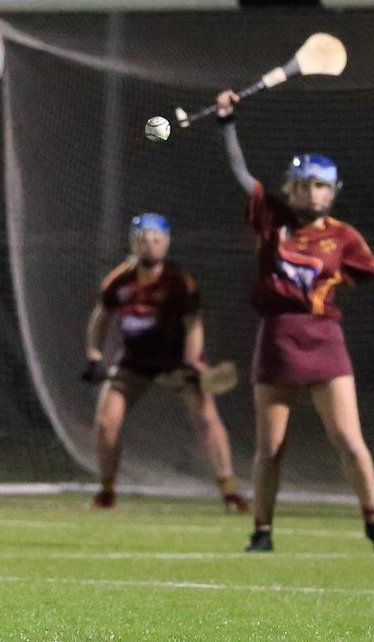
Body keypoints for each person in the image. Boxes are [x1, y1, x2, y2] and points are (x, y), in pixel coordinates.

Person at [215, 90, 374, 554]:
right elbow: (239, 173)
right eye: (305, 184)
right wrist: (227, 123)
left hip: (324, 341)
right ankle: (262, 533)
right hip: (278, 339)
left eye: (321, 185)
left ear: (334, 191)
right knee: (270, 449)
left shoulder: (344, 237)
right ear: (292, 188)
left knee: (349, 441)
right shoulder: (273, 218)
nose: (313, 193)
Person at [82, 213, 249, 513]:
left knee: (207, 418)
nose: (150, 245)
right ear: (133, 243)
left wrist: (192, 364)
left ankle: (229, 492)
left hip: (175, 363)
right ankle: (106, 491)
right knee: (106, 424)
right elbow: (101, 317)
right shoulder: (119, 280)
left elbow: (193, 324)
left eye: (156, 239)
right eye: (143, 239)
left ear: (167, 243)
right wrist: (94, 355)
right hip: (132, 364)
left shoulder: (179, 281)